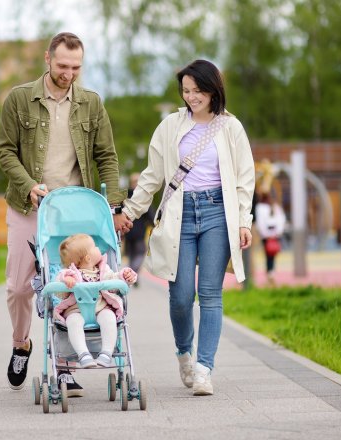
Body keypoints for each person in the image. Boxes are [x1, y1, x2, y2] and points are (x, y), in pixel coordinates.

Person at [0, 32, 130, 397]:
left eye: (76, 67)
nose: (69, 74)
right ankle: (21, 343)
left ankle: (65, 366)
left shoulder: (91, 103)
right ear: (47, 59)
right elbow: (5, 151)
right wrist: (28, 185)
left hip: (75, 209)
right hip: (29, 205)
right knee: (19, 286)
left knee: (72, 284)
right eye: (63, 66)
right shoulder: (20, 99)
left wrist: (113, 207)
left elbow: (107, 157)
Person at [115, 59, 255, 396]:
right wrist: (130, 211)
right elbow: (152, 176)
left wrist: (243, 220)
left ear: (213, 90)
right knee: (179, 298)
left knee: (209, 293)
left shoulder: (230, 127)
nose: (191, 97)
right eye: (186, 90)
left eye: (198, 91)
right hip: (180, 214)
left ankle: (205, 368)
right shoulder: (169, 126)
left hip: (217, 215)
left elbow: (244, 178)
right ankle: (184, 354)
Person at [54, 233, 137, 368]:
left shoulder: (103, 271)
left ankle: (106, 353)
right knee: (73, 322)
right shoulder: (70, 274)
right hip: (76, 310)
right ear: (88, 257)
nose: (98, 248)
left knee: (109, 318)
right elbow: (58, 290)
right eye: (94, 246)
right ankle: (83, 354)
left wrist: (124, 277)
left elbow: (113, 279)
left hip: (101, 308)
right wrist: (65, 282)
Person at [124, 173, 154, 282]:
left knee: (132, 254)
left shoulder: (125, 197)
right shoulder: (143, 198)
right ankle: (132, 272)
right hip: (139, 232)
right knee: (140, 253)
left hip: (127, 232)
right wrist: (154, 225)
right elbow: (150, 215)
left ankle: (131, 275)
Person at [254, 192, 286, 285]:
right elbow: (281, 220)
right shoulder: (274, 207)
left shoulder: (262, 208)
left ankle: (270, 273)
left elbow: (261, 223)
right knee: (271, 255)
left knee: (269, 255)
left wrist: (267, 234)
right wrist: (276, 233)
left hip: (268, 236)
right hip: (273, 235)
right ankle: (270, 273)